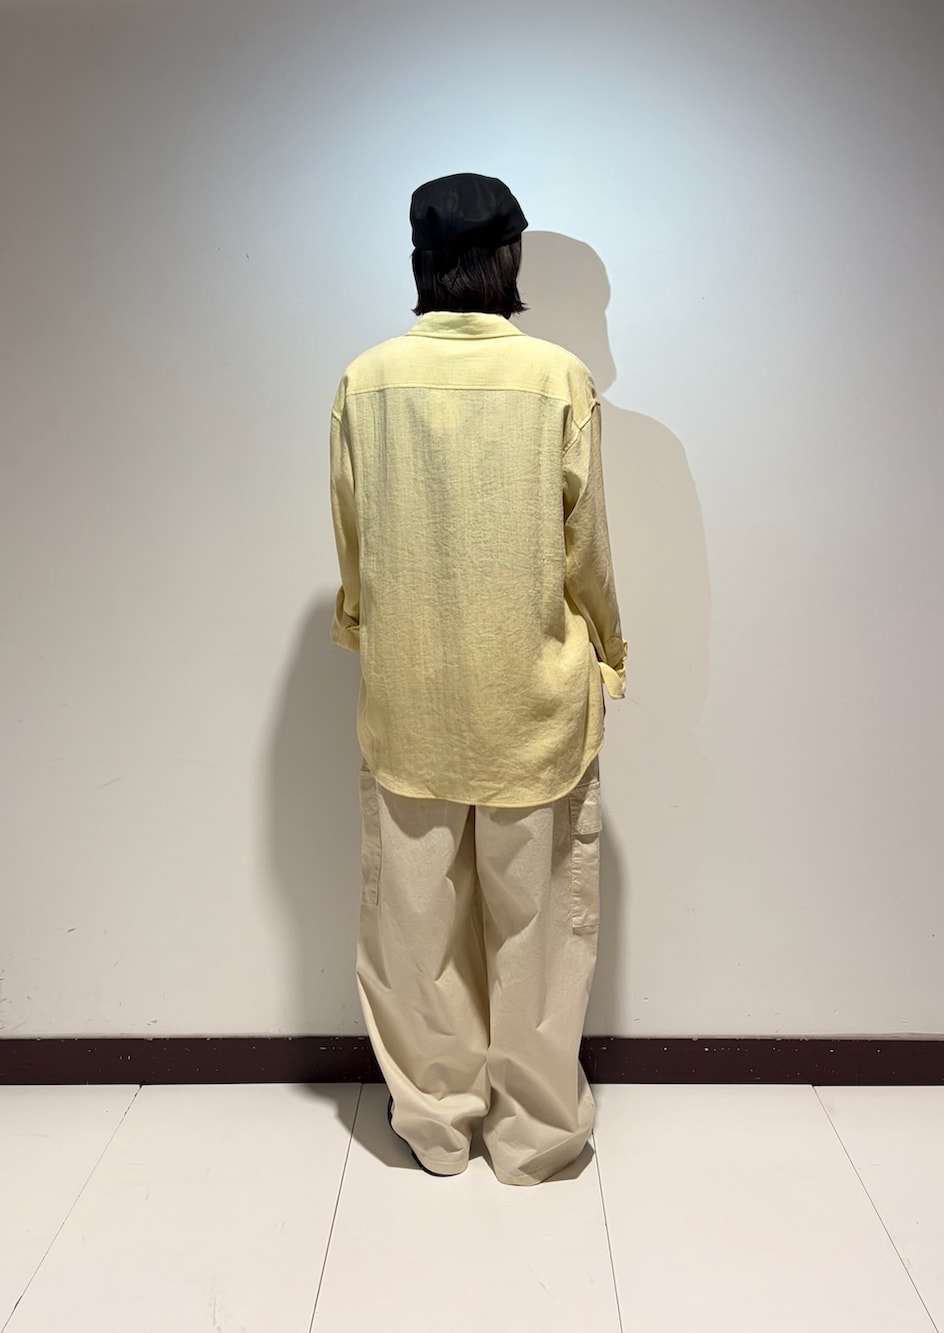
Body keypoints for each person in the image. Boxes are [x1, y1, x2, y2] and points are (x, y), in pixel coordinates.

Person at [328, 172, 627, 1186]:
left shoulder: (367, 379)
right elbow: (587, 551)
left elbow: (353, 539)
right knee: (539, 932)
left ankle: (436, 1124)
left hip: (409, 697)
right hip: (532, 699)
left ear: (418, 255)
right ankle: (535, 1137)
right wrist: (610, 650)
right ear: (511, 256)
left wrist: (369, 629)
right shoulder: (557, 379)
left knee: (413, 932)